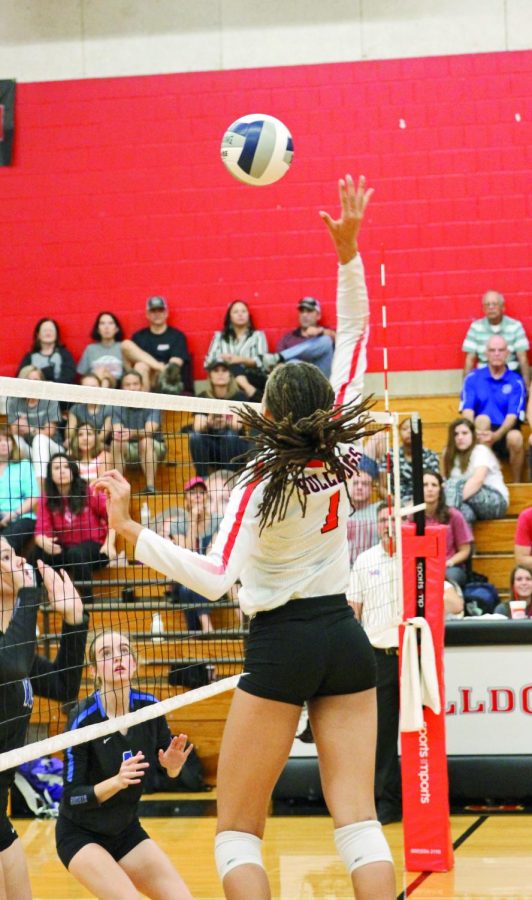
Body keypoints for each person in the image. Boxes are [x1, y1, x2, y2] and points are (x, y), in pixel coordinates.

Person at [96, 174, 396, 900]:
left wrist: (132, 529)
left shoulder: (260, 481)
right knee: (357, 823)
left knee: (237, 834)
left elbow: (213, 576)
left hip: (283, 642)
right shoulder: (341, 445)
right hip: (342, 636)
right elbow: (352, 336)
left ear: (268, 412)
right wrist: (349, 254)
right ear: (323, 411)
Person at [56, 629, 193, 900]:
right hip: (81, 835)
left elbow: (171, 770)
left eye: (124, 650)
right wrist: (116, 782)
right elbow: (73, 797)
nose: (118, 657)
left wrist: (173, 766)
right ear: (94, 671)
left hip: (127, 831)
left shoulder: (150, 707)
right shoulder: (82, 719)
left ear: (134, 663)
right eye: (106, 654)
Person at [0, 538, 88, 900]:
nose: (19, 560)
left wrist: (74, 620)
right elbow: (10, 666)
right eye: (5, 556)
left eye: (14, 553)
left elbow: (64, 684)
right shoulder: (13, 653)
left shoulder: (17, 646)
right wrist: (31, 592)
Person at [347, 502, 401, 827]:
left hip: (412, 655)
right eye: (383, 519)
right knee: (381, 736)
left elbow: (450, 600)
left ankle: (424, 799)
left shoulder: (415, 557)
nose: (387, 524)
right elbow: (353, 610)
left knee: (419, 731)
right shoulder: (365, 561)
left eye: (393, 519)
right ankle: (388, 803)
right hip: (378, 657)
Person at [31, 454, 115, 600]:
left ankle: (87, 604)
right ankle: (33, 603)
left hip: (96, 550)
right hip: (66, 552)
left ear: (73, 471)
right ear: (50, 474)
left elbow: (113, 517)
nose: (62, 471)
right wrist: (43, 542)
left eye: (66, 467)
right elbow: (40, 531)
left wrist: (109, 543)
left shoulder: (89, 491)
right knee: (37, 554)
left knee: (77, 553)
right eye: (57, 468)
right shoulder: (46, 498)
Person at [461, 334, 526, 481]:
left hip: (505, 432)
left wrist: (496, 435)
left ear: (507, 353)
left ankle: (517, 484)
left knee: (516, 437)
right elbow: (467, 411)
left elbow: (512, 416)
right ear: (486, 353)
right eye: (492, 350)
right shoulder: (472, 378)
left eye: (501, 350)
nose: (496, 353)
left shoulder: (516, 381)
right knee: (482, 420)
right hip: (479, 433)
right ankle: (487, 482)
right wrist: (477, 433)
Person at [157, 476, 216, 633]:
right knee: (185, 588)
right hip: (186, 576)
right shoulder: (178, 524)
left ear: (206, 498)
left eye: (201, 493)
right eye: (193, 492)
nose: (197, 496)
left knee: (188, 588)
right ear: (186, 500)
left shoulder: (217, 521)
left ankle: (197, 633)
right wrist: (193, 522)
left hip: (210, 576)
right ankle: (205, 628)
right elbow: (187, 553)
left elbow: (212, 556)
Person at [442, 417, 508, 524]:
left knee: (454, 484)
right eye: (456, 434)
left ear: (473, 435)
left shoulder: (480, 451)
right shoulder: (447, 454)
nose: (460, 437)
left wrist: (451, 503)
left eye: (464, 433)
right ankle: (467, 541)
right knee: (464, 513)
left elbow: (477, 481)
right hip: (465, 500)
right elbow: (444, 482)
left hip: (495, 501)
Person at [189, 361, 249, 478]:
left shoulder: (239, 396)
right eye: (216, 371)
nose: (220, 374)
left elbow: (237, 426)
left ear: (230, 375)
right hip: (212, 445)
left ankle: (230, 478)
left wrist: (224, 420)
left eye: (224, 370)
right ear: (210, 376)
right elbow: (197, 426)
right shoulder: (203, 396)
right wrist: (210, 420)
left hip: (235, 445)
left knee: (230, 435)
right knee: (195, 437)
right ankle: (203, 478)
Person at [109, 369, 166, 494]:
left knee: (146, 441)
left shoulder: (152, 402)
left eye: (135, 384)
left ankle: (150, 487)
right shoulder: (116, 405)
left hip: (154, 447)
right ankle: (118, 487)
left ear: (141, 386)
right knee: (116, 442)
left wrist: (132, 433)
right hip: (128, 447)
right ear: (122, 388)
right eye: (128, 385)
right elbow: (118, 430)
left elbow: (149, 431)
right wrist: (123, 433)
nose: (132, 388)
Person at [77, 311, 165, 391]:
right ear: (98, 329)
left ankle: (162, 369)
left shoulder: (122, 347)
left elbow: (131, 371)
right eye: (102, 323)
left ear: (116, 328)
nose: (106, 327)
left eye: (110, 323)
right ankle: (100, 405)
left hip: (121, 385)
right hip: (97, 385)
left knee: (129, 349)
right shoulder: (91, 349)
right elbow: (82, 376)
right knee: (102, 374)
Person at [6, 366, 64, 487]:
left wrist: (30, 429)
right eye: (29, 379)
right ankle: (15, 483)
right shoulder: (14, 401)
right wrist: (17, 427)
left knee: (39, 439)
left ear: (42, 383)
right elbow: (12, 433)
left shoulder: (50, 400)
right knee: (14, 441)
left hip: (53, 449)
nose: (33, 383)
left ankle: (40, 487)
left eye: (36, 380)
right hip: (30, 450)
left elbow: (50, 432)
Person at [462, 290, 530, 385]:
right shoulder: (475, 328)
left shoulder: (515, 326)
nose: (491, 307)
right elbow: (469, 360)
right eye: (487, 304)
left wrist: (527, 388)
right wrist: (465, 387)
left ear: (503, 307)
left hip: (510, 375)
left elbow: (523, 358)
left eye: (495, 304)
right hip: (484, 377)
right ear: (483, 309)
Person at [205, 300, 269, 400]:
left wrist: (239, 359)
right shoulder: (219, 337)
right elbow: (208, 362)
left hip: (253, 377)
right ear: (229, 317)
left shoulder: (258, 336)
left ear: (248, 315)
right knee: (231, 370)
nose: (240, 314)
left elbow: (263, 361)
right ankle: (252, 392)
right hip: (226, 378)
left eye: (243, 311)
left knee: (235, 367)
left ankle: (246, 387)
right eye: (236, 312)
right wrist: (223, 359)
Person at [422, 470, 473, 588]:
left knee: (444, 578)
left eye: (434, 485)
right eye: (425, 485)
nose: (430, 489)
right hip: (422, 567)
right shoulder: (412, 517)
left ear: (440, 490)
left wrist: (448, 563)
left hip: (449, 567)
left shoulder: (454, 515)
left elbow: (465, 550)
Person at [131, 295, 192, 393]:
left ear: (166, 313)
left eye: (160, 310)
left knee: (168, 369)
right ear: (147, 314)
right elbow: (132, 364)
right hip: (146, 378)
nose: (157, 314)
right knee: (140, 366)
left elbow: (175, 365)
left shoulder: (177, 336)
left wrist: (159, 370)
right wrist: (157, 366)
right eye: (153, 311)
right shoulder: (138, 337)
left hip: (168, 379)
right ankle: (143, 406)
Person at [271, 296, 336, 378]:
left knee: (326, 340)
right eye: (302, 311)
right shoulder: (288, 339)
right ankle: (282, 357)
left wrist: (321, 331)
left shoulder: (326, 333)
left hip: (322, 379)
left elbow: (343, 342)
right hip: (298, 383)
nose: (304, 315)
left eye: (309, 311)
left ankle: (282, 355)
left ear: (318, 315)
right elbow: (277, 366)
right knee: (293, 363)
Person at [378, 417, 439, 502]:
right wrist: (398, 505)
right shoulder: (389, 455)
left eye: (412, 428)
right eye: (405, 428)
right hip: (396, 506)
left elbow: (435, 485)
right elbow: (382, 488)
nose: (409, 431)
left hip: (423, 505)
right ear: (399, 433)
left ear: (421, 432)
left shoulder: (431, 456)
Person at [0, 427, 39, 556]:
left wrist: (14, 514)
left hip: (21, 517)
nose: (4, 443)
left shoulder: (24, 465)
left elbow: (33, 497)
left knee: (3, 544)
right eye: (0, 440)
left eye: (8, 440)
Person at [16, 318, 76, 385]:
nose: (48, 333)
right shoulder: (29, 357)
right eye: (45, 330)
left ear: (57, 334)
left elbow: (69, 376)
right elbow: (20, 376)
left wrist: (51, 385)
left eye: (51, 330)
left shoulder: (64, 354)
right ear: (38, 335)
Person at [66, 372, 113, 449]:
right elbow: (70, 433)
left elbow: (102, 436)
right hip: (80, 445)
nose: (91, 390)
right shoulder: (75, 409)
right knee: (68, 443)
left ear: (100, 388)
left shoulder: (108, 408)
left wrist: (86, 439)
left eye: (93, 387)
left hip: (100, 446)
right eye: (86, 388)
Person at [346, 468, 381, 566]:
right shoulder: (339, 511)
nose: (360, 487)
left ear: (371, 489)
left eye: (365, 484)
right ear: (348, 487)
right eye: (355, 483)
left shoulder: (380, 510)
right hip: (344, 571)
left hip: (373, 568)